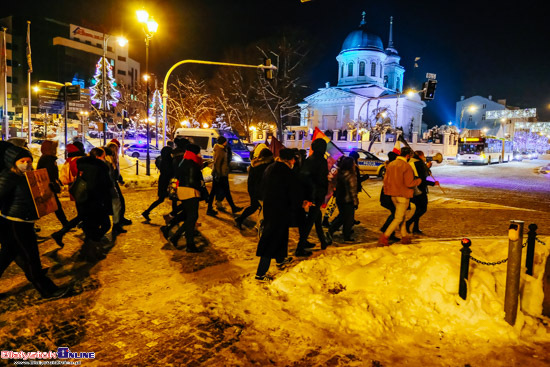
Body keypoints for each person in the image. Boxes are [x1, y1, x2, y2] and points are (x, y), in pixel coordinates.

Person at [0, 145, 70, 299]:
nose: (27, 164)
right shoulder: (8, 177)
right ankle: (47, 289)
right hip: (15, 224)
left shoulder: (28, 176)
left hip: (26, 222)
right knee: (31, 257)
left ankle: (36, 274)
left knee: (6, 256)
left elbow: (36, 196)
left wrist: (51, 189)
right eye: (22, 161)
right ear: (13, 162)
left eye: (29, 161)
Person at [254, 148, 299, 281]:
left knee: (281, 235)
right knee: (271, 239)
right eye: (293, 159)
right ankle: (260, 274)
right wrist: (298, 205)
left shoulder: (271, 167)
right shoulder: (285, 172)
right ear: (290, 160)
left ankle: (280, 260)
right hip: (279, 209)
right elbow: (291, 192)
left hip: (270, 208)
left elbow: (262, 187)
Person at [163, 144, 207, 252]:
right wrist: (200, 183)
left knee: (188, 216)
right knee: (192, 218)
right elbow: (192, 181)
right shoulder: (192, 163)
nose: (200, 154)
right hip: (190, 192)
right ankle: (189, 244)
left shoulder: (184, 160)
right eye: (198, 152)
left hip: (184, 191)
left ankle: (175, 236)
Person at [378, 147, 421, 246]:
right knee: (398, 218)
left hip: (393, 195)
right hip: (403, 195)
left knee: (401, 216)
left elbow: (386, 180)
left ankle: (404, 236)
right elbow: (409, 183)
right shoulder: (406, 166)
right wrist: (418, 181)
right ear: (408, 156)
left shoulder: (391, 164)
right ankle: (385, 237)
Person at [75, 147, 113, 259]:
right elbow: (106, 185)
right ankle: (90, 251)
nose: (104, 158)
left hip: (84, 201)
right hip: (96, 202)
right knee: (104, 225)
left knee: (90, 228)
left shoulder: (84, 165)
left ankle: (88, 251)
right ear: (97, 157)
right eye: (103, 156)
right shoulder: (99, 168)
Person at [296, 138, 330, 256]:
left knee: (316, 217)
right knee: (310, 221)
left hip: (311, 194)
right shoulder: (321, 160)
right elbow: (320, 179)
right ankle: (300, 248)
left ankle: (323, 242)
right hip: (316, 194)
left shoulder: (309, 159)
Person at [50, 143, 86, 247]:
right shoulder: (78, 161)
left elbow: (64, 178)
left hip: (75, 190)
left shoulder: (69, 161)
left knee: (82, 213)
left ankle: (85, 230)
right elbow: (80, 175)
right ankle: (60, 233)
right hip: (82, 190)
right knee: (82, 214)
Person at [235, 148, 274, 230]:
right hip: (258, 191)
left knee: (258, 207)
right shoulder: (263, 166)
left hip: (255, 190)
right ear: (266, 158)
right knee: (256, 207)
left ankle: (255, 224)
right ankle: (240, 219)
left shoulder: (256, 164)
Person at [207, 136, 242, 216]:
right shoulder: (220, 150)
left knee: (220, 192)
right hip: (220, 175)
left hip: (221, 174)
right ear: (224, 142)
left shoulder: (223, 149)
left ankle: (232, 207)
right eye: (225, 141)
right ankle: (210, 209)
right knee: (222, 192)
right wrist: (218, 175)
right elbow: (217, 163)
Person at [326, 156, 359, 244]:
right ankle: (346, 236)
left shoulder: (340, 173)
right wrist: (355, 202)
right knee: (348, 218)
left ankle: (331, 230)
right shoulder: (351, 175)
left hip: (340, 198)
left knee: (342, 216)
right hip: (348, 200)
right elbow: (352, 190)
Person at [36, 140, 68, 227]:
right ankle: (65, 223)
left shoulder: (47, 158)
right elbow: (49, 173)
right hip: (48, 186)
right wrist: (54, 182)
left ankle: (65, 223)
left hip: (48, 185)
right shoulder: (48, 159)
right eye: (54, 148)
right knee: (51, 205)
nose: (56, 150)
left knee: (55, 205)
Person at [406, 151, 439, 234]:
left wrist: (427, 167)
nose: (424, 157)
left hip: (413, 189)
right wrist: (433, 183)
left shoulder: (411, 162)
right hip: (419, 190)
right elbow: (422, 179)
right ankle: (408, 223)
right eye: (423, 155)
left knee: (418, 209)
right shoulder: (419, 164)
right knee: (423, 209)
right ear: (420, 156)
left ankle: (415, 228)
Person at [142, 144, 174, 221]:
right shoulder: (168, 161)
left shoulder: (162, 159)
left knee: (162, 199)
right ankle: (147, 212)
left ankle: (147, 212)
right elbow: (169, 172)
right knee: (165, 199)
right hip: (166, 181)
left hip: (163, 180)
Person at [108, 139, 132, 226]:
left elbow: (116, 171)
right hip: (111, 184)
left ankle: (119, 219)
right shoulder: (109, 159)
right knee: (117, 202)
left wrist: (120, 178)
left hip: (113, 182)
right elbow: (111, 173)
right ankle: (117, 222)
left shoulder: (114, 158)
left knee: (119, 201)